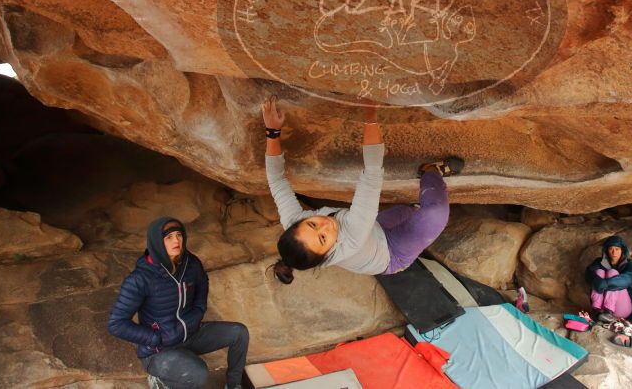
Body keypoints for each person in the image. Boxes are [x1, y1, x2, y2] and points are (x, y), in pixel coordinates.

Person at [263, 96, 462, 283]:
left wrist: (272, 132)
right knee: (435, 213)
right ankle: (430, 171)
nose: (325, 225)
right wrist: (370, 117)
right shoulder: (352, 237)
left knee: (406, 211)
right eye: (323, 238)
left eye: (312, 224)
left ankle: (414, 208)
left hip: (375, 229)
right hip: (392, 255)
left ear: (297, 223)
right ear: (326, 253)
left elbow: (276, 180)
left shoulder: (292, 220)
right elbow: (372, 173)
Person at [108, 216, 249, 389]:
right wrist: (155, 337)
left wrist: (198, 311)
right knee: (197, 373)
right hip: (159, 350)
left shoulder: (190, 263)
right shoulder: (140, 279)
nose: (177, 240)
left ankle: (234, 385)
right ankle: (161, 380)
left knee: (239, 333)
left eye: (179, 235)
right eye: (169, 237)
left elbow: (202, 283)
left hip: (191, 334)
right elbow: (116, 324)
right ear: (157, 242)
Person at [584, 235, 632, 320]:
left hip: (623, 308)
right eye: (611, 249)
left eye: (617, 249)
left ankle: (608, 311)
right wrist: (597, 281)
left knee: (612, 272)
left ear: (622, 251)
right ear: (606, 250)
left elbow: (628, 278)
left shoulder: (629, 264)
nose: (614, 252)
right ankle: (596, 310)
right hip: (601, 309)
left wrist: (606, 283)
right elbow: (588, 273)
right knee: (599, 272)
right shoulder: (599, 262)